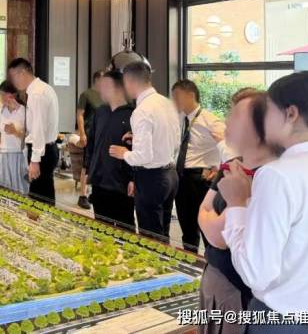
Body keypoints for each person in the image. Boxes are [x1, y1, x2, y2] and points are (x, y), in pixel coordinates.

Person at [219, 71, 308, 333]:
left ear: (291, 113)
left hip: (286, 322)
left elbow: (255, 272)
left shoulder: (277, 175)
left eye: (268, 110)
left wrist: (237, 203)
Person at [197, 89, 278, 334]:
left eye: (237, 117)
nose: (227, 122)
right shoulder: (232, 166)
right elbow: (202, 210)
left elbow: (218, 237)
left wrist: (211, 220)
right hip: (214, 274)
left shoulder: (270, 176)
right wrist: (212, 220)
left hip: (239, 288)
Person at [109, 61, 179, 239]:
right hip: (170, 175)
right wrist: (137, 138)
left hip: (152, 179)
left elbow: (143, 156)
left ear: (130, 81)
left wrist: (124, 153)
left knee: (150, 237)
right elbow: (174, 140)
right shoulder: (166, 103)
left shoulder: (142, 111)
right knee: (163, 232)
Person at [171, 79, 233, 251]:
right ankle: (190, 261)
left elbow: (229, 146)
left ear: (190, 95)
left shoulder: (210, 120)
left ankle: (210, 262)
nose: (174, 101)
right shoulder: (180, 119)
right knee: (187, 227)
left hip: (199, 179)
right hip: (181, 178)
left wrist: (219, 168)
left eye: (176, 96)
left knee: (206, 228)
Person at [85, 70, 135, 228]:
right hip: (99, 182)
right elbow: (91, 143)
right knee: (100, 228)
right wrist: (88, 169)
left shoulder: (133, 115)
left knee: (124, 230)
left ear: (118, 88)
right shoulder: (100, 112)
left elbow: (139, 151)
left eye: (105, 85)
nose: (100, 89)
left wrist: (133, 178)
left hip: (122, 184)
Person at [8, 58, 59, 205]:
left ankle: (42, 220)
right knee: (44, 195)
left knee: (38, 198)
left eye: (14, 77)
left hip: (42, 153)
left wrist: (35, 160)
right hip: (46, 149)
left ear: (23, 73)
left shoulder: (37, 94)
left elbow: (38, 128)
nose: (14, 82)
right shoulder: (43, 88)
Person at [74, 70, 104, 209]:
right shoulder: (86, 95)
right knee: (87, 165)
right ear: (97, 80)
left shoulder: (106, 96)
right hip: (90, 134)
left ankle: (96, 193)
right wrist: (82, 134)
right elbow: (80, 115)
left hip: (102, 135)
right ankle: (82, 195)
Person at [0, 81, 28, 193]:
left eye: (5, 94)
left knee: (19, 188)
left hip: (18, 154)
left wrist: (15, 131)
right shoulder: (1, 111)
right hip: (3, 154)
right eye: (1, 94)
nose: (2, 98)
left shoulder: (23, 111)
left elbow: (28, 137)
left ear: (13, 94)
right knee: (5, 188)